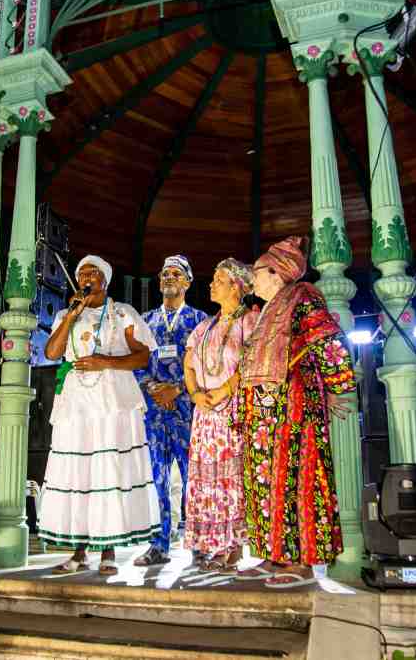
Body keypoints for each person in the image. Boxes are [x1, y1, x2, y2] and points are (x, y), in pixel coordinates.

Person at [235, 236, 356, 586]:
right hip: (263, 415)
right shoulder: (266, 310)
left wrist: (336, 385)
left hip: (295, 407)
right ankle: (274, 554)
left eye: (255, 272)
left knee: (296, 481)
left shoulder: (302, 296)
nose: (251, 279)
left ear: (276, 273)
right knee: (265, 483)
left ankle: (301, 560)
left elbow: (327, 340)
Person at [38, 255, 161, 576]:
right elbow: (51, 353)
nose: (86, 278)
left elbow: (142, 356)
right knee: (80, 474)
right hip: (76, 405)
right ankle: (79, 553)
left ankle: (109, 551)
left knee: (110, 472)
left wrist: (105, 361)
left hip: (113, 403)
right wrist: (71, 316)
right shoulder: (68, 313)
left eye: (93, 273)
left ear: (105, 280)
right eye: (81, 274)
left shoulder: (123, 313)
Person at [182, 258, 258, 572]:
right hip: (205, 413)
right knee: (208, 480)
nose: (211, 284)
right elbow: (188, 365)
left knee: (232, 478)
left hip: (233, 409)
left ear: (238, 287)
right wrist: (196, 393)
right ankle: (214, 544)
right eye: (213, 278)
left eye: (219, 279)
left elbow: (253, 362)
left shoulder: (250, 321)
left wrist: (226, 389)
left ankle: (235, 546)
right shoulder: (204, 326)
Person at [133, 255, 208, 566]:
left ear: (187, 282)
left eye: (176, 274)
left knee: (194, 478)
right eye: (164, 273)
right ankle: (158, 544)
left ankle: (199, 545)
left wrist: (176, 389)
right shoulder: (145, 321)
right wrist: (152, 388)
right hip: (153, 413)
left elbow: (206, 365)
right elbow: (136, 361)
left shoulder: (201, 321)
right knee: (156, 479)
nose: (169, 278)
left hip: (188, 412)